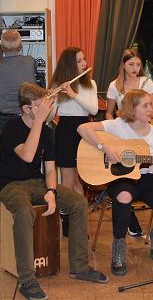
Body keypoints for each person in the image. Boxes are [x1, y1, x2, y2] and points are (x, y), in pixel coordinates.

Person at [0, 83, 107, 300]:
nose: (48, 109)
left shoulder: (48, 131)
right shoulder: (12, 128)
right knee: (24, 212)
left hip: (38, 182)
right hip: (11, 184)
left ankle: (79, 267)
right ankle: (27, 280)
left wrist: (51, 190)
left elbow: (49, 169)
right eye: (42, 106)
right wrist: (39, 121)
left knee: (78, 203)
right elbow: (28, 155)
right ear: (26, 108)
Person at [78, 89, 153, 276]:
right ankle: (119, 246)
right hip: (119, 178)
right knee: (124, 195)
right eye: (145, 106)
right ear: (132, 109)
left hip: (145, 177)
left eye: (150, 105)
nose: (151, 109)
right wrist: (104, 147)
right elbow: (83, 128)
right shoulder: (118, 125)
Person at [105, 49, 153, 237]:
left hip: (142, 132)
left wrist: (138, 117)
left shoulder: (146, 82)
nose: (135, 68)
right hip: (121, 135)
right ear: (123, 65)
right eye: (131, 64)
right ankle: (128, 216)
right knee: (123, 175)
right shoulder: (114, 85)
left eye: (138, 64)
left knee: (144, 171)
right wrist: (114, 133)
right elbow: (109, 112)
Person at [49, 46, 98, 196]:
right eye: (79, 61)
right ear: (70, 65)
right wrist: (51, 100)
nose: (84, 63)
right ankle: (65, 211)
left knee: (79, 180)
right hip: (65, 132)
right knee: (68, 181)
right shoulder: (58, 85)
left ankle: (79, 211)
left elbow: (94, 110)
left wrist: (74, 95)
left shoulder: (90, 84)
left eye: (84, 59)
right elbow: (49, 118)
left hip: (84, 131)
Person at [0, 29, 37, 133]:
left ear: (2, 47)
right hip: (28, 115)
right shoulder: (30, 61)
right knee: (30, 143)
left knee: (7, 143)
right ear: (20, 46)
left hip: (6, 117)